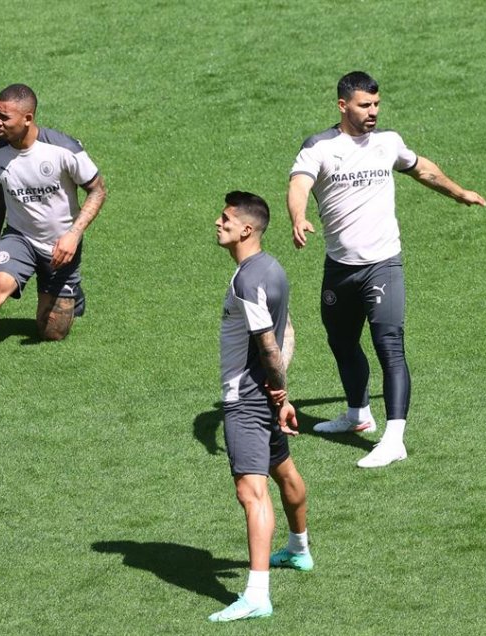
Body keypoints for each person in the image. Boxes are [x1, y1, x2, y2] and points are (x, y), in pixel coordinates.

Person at [287, 71, 486, 468]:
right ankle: (358, 415)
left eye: (377, 104)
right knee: (341, 342)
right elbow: (299, 183)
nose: (373, 112)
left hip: (383, 265)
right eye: (365, 105)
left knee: (389, 346)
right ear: (343, 106)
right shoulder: (321, 146)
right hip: (340, 267)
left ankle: (394, 438)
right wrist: (298, 215)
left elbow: (422, 169)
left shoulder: (387, 143)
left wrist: (459, 192)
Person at [0, 83, 107, 378]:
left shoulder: (64, 149)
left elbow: (97, 191)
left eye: (5, 118)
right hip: (19, 238)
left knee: (51, 331)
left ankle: (72, 293)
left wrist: (74, 233)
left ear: (28, 118)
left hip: (61, 246)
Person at [209, 191, 312, 623]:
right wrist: (281, 394)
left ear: (246, 229)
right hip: (264, 396)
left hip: (246, 399)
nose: (218, 222)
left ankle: (256, 595)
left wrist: (278, 390)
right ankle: (299, 549)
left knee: (251, 492)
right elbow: (288, 329)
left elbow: (268, 344)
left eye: (226, 218)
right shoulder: (272, 269)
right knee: (284, 469)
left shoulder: (247, 280)